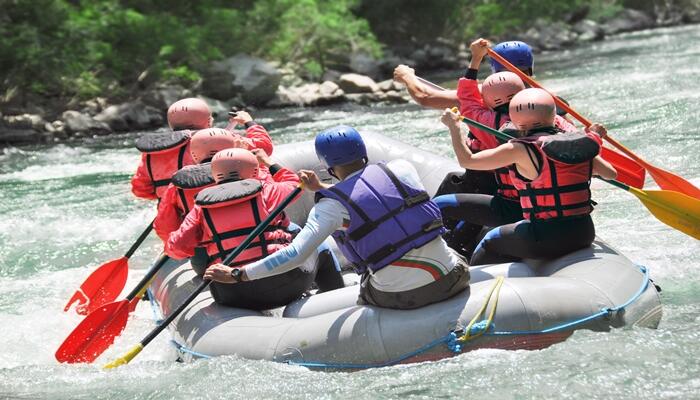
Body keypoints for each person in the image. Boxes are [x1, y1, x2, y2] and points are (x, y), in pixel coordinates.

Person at [204, 126, 470, 310]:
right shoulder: (401, 169)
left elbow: (294, 254)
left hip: (399, 296)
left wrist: (238, 274)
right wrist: (321, 188)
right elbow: (375, 198)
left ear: (328, 166)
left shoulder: (330, 207)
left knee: (362, 287)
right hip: (452, 276)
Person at [439, 88, 617, 266]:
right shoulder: (578, 146)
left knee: (490, 239)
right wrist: (590, 140)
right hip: (584, 232)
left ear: (515, 120)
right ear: (553, 115)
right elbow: (611, 174)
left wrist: (454, 128)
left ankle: (459, 273)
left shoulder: (519, 149)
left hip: (544, 235)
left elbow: (468, 161)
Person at [436, 38, 576, 257]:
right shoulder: (552, 115)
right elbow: (577, 139)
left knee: (447, 201)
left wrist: (475, 59)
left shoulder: (488, 120)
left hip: (506, 196)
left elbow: (467, 99)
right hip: (553, 207)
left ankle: (443, 252)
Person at [165, 149, 337, 309]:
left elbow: (176, 248)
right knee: (320, 245)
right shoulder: (267, 191)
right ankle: (336, 297)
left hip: (232, 294)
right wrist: (268, 163)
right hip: (287, 282)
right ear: (255, 171)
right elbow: (294, 183)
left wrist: (205, 239)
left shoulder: (200, 208)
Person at [153, 111, 275, 243]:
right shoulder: (251, 169)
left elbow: (164, 226)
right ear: (207, 122)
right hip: (263, 238)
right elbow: (265, 148)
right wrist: (249, 124)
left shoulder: (177, 183)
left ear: (194, 155)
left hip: (207, 249)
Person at [130, 98, 212, 200]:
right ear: (208, 122)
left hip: (169, 212)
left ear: (171, 124)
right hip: (208, 212)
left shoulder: (152, 152)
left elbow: (140, 190)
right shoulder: (219, 141)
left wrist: (167, 197)